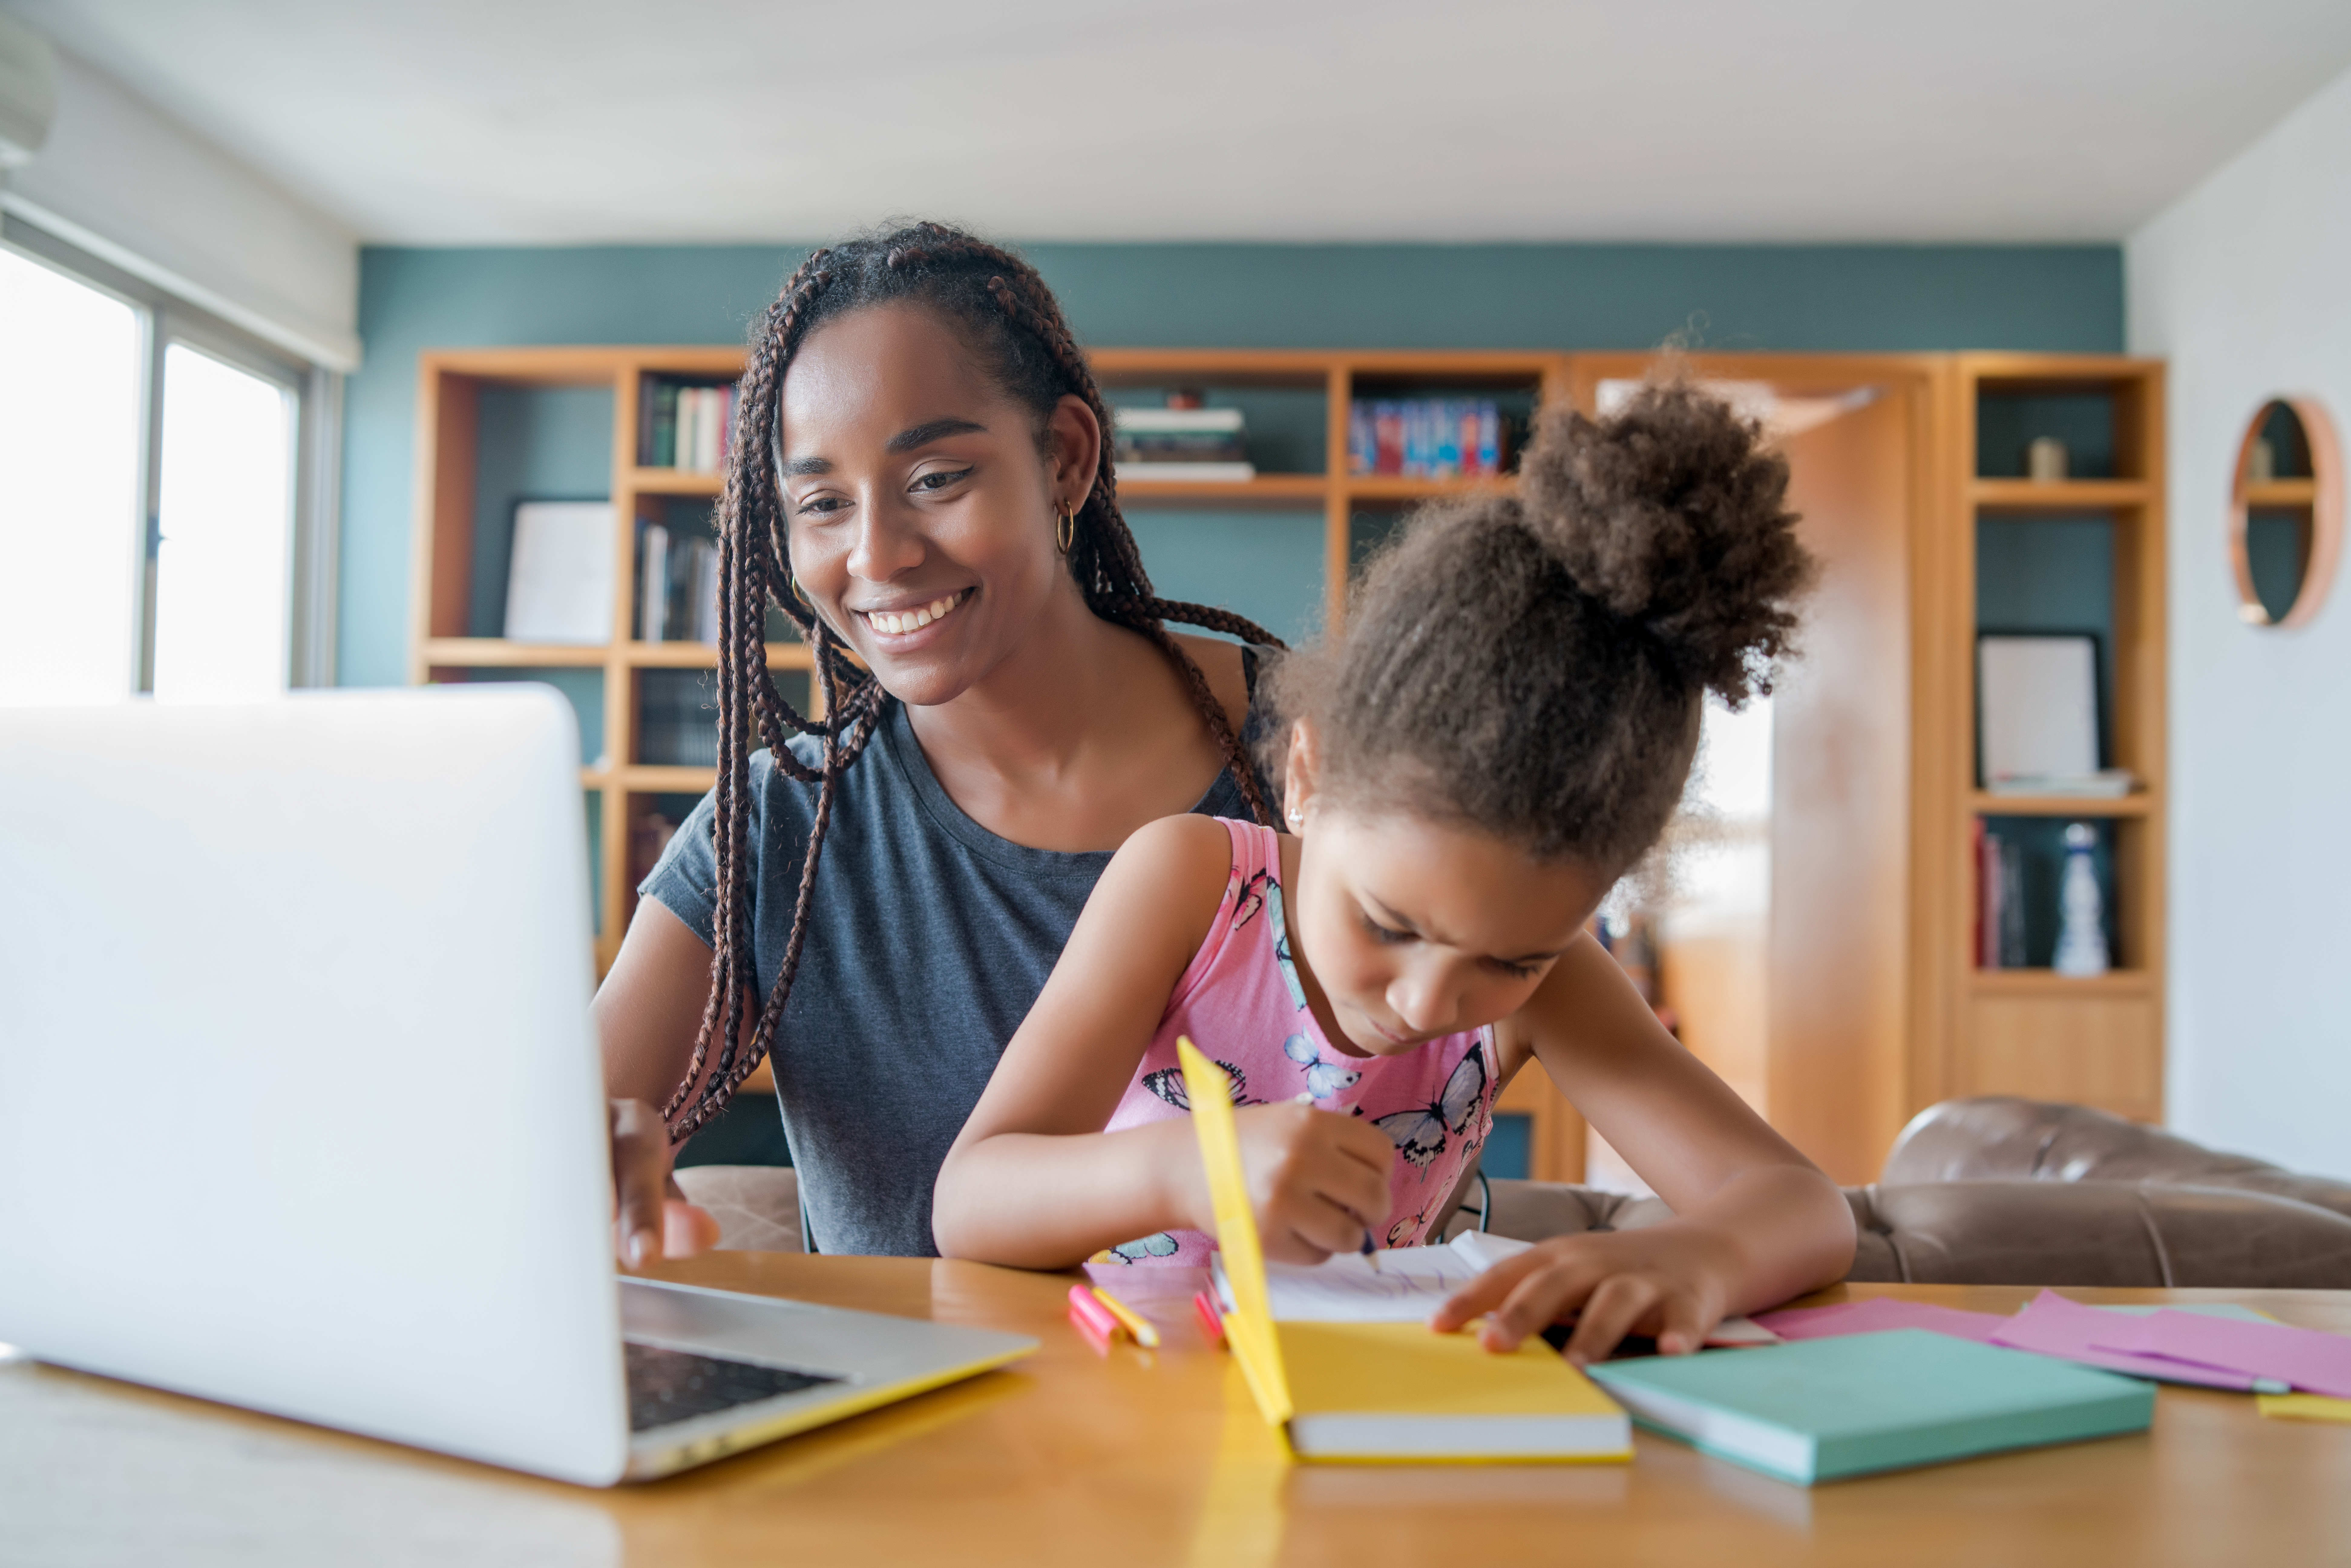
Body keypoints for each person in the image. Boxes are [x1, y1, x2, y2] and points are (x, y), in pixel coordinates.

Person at [932, 383, 1858, 1363]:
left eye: (1512, 962)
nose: (1431, 1000)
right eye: (1388, 924)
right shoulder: (1191, 883)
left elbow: (1801, 1206)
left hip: (1360, 1420)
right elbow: (973, 1200)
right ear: (1307, 776)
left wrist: (1696, 1257)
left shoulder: (1557, 985)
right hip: (1117, 1407)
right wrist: (1184, 1172)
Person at [595, 222, 1283, 1264]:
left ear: (1063, 458)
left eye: (934, 479)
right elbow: (545, 1145)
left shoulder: (1314, 755)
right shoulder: (783, 825)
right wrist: (591, 1154)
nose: (877, 555)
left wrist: (1631, 1249)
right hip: (921, 1428)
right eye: (822, 503)